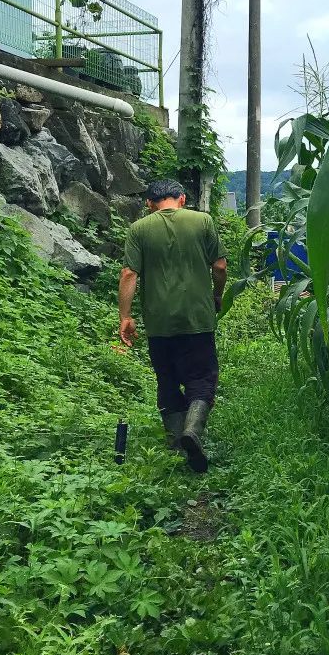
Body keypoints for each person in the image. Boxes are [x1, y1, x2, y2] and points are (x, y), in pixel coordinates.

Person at [118, 179, 227, 473]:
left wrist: (125, 317)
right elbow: (219, 266)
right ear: (180, 199)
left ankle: (178, 446)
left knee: (167, 381)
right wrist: (217, 294)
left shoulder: (138, 229)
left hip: (158, 322)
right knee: (202, 378)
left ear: (150, 204)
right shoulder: (203, 221)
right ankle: (192, 431)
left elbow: (129, 273)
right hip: (198, 319)